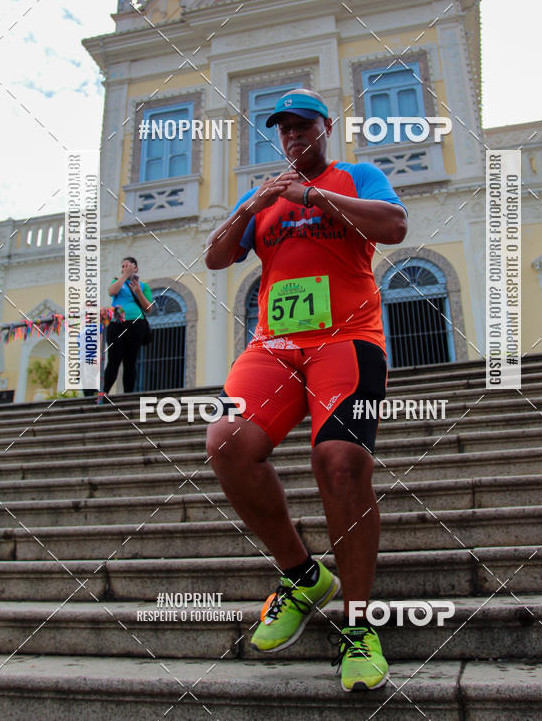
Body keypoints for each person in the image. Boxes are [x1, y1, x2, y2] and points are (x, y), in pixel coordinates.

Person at [205, 89, 408, 691]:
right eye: (284, 129)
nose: (293, 136)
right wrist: (252, 206)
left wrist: (313, 196)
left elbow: (395, 225)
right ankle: (302, 576)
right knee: (226, 441)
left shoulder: (357, 176)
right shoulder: (262, 196)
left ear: (326, 128)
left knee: (340, 460)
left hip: (347, 341)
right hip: (275, 346)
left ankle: (360, 626)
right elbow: (216, 256)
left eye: (304, 125)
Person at [97, 257, 153, 403]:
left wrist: (138, 292)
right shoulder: (117, 282)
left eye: (127, 266)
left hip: (136, 324)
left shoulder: (143, 286)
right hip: (117, 323)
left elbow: (149, 308)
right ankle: (103, 394)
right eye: (123, 266)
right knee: (113, 360)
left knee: (130, 361)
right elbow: (111, 292)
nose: (124, 268)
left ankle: (128, 396)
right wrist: (124, 276)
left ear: (135, 268)